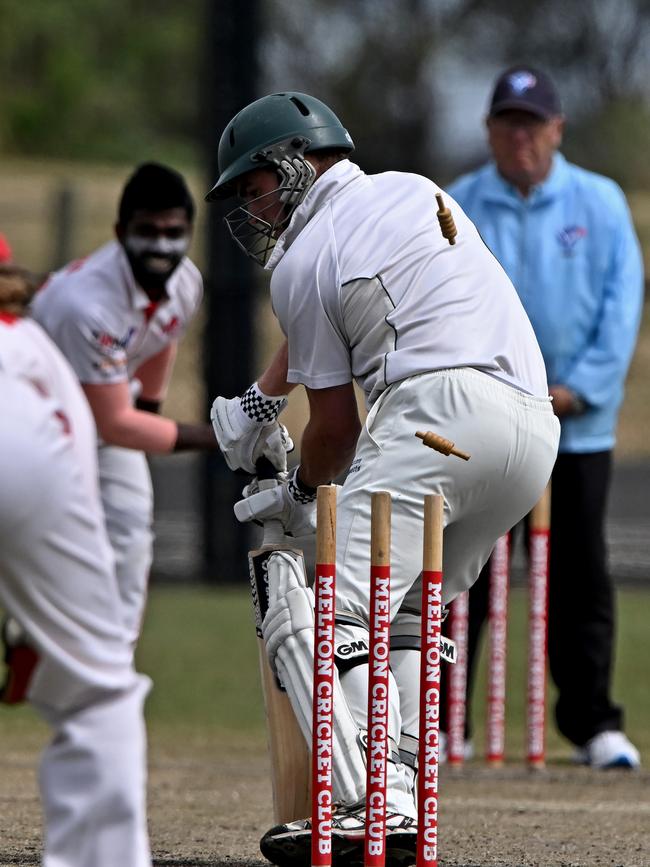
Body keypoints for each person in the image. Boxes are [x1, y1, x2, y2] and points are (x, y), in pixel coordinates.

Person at [206, 91, 560, 866]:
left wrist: (296, 494)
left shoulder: (298, 261)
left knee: (326, 602)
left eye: (254, 185)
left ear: (296, 162)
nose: (248, 207)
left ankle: (377, 802)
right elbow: (325, 322)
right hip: (532, 435)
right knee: (404, 616)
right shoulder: (414, 188)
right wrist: (265, 399)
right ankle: (401, 783)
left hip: (438, 413)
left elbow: (336, 433)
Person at [440, 66, 644, 769]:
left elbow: (622, 309)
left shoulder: (601, 202)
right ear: (490, 131)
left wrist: (577, 389)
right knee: (466, 570)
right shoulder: (458, 204)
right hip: (487, 427)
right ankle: (443, 725)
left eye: (532, 124)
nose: (519, 137)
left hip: (576, 428)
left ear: (557, 130)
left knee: (578, 574)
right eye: (507, 124)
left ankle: (593, 724)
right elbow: (444, 307)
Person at [30, 162, 287, 650]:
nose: (161, 245)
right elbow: (114, 424)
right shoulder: (85, 305)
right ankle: (35, 635)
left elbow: (158, 341)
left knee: (130, 533)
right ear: (119, 232)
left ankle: (113, 662)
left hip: (98, 419)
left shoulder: (185, 281)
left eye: (174, 232)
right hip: (32, 425)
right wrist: (223, 437)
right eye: (147, 231)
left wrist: (148, 412)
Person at [0, 264, 152, 867]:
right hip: (25, 434)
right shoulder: (30, 343)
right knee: (97, 693)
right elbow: (75, 485)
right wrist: (40, 628)